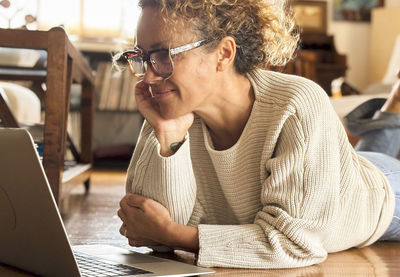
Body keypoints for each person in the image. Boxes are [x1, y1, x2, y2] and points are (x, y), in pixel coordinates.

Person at [116, 0, 400, 269]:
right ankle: (394, 111)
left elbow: (295, 244)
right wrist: (168, 136)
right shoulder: (173, 109)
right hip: (336, 172)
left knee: (372, 163)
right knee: (362, 153)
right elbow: (146, 228)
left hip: (377, 194)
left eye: (162, 55)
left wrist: (175, 235)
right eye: (142, 57)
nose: (149, 77)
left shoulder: (296, 104)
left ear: (224, 54)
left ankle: (393, 109)